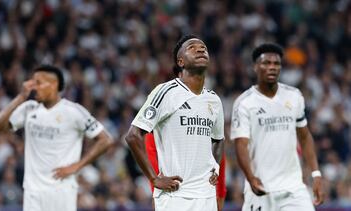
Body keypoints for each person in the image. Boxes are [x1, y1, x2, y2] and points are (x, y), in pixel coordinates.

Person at [0, 65, 113, 211]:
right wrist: (21, 97)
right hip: (33, 191)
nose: (34, 87)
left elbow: (105, 140)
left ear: (54, 85)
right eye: (33, 82)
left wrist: (76, 166)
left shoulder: (73, 111)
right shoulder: (29, 108)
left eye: (39, 83)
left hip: (61, 190)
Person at [125, 34, 225, 211]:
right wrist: (154, 178)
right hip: (176, 195)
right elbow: (133, 136)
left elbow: (219, 139)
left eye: (204, 48)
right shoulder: (166, 92)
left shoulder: (213, 100)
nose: (200, 49)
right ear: (181, 62)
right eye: (192, 47)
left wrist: (215, 167)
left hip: (206, 195)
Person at [230, 43, 324, 211]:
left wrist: (315, 173)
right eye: (266, 63)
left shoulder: (294, 96)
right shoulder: (244, 103)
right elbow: (240, 145)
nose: (272, 67)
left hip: (293, 188)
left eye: (276, 63)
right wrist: (251, 178)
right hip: (260, 188)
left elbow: (304, 136)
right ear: (255, 67)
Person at [144, 132, 227, 211]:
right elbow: (151, 146)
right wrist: (155, 183)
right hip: (173, 192)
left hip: (203, 192)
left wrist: (220, 192)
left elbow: (218, 144)